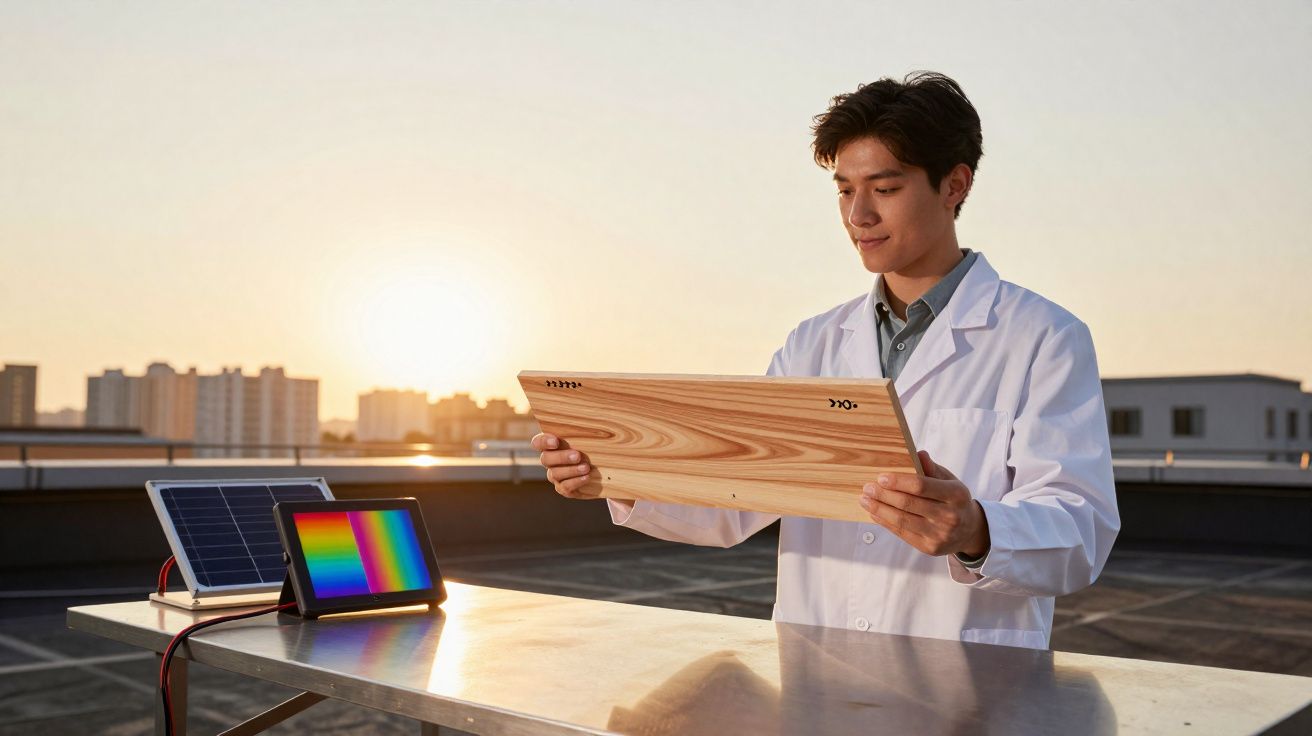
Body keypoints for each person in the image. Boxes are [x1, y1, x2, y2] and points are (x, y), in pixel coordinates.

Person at [532, 71, 1119, 650]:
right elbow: (737, 500)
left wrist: (976, 530)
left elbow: (1081, 532)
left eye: (884, 189)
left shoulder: (1044, 337)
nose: (857, 215)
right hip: (816, 680)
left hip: (972, 690)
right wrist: (614, 475)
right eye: (844, 189)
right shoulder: (812, 344)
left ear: (954, 185)